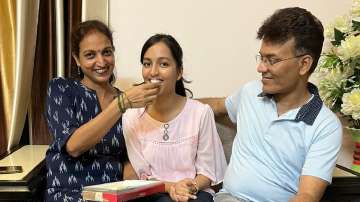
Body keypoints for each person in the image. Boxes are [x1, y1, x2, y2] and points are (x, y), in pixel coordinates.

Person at [200, 7, 342, 202]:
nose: (261, 68)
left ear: (304, 64)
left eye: (272, 60)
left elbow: (307, 196)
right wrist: (161, 100)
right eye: (262, 57)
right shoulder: (250, 93)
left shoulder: (325, 125)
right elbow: (211, 107)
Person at [44, 20, 161, 202]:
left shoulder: (128, 101)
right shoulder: (62, 89)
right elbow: (73, 146)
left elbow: (131, 154)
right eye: (90, 55)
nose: (101, 61)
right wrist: (121, 104)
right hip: (69, 192)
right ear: (77, 59)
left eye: (107, 52)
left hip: (113, 193)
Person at [122, 34, 227, 202]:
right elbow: (141, 176)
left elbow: (207, 173)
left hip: (194, 191)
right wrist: (172, 187)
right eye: (147, 64)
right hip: (152, 193)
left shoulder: (201, 113)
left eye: (163, 64)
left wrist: (187, 188)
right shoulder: (131, 116)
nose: (153, 72)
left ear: (179, 72)